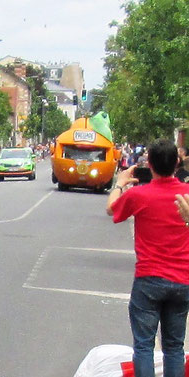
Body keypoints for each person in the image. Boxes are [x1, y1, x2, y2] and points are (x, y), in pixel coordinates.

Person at [106, 139, 189, 377]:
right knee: (174, 346)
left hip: (149, 278)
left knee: (144, 345)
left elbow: (111, 208)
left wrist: (120, 184)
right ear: (177, 162)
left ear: (148, 163)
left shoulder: (140, 195)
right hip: (182, 280)